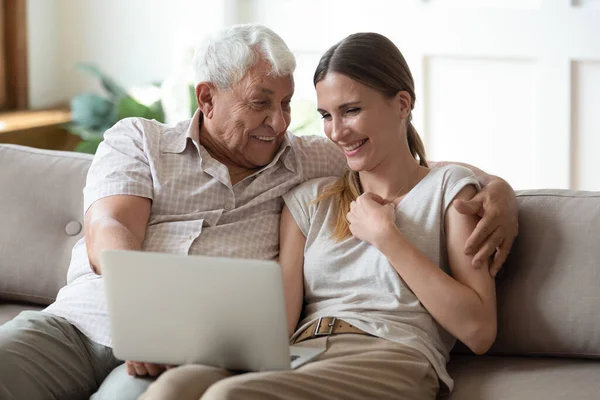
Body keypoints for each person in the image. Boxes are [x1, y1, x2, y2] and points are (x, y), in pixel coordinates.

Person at [0, 25, 516, 400]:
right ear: (207, 97)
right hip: (82, 324)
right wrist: (145, 321)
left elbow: (408, 163)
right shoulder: (142, 140)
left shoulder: (311, 161)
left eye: (289, 105)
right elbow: (110, 228)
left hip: (198, 351)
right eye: (260, 103)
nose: (279, 123)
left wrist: (499, 190)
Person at [138, 31, 499, 400]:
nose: (337, 132)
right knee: (173, 388)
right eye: (327, 115)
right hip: (304, 352)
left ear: (402, 104)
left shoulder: (450, 191)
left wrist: (387, 239)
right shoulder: (308, 200)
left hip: (392, 354)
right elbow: (276, 326)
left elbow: (478, 330)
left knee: (229, 397)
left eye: (352, 110)